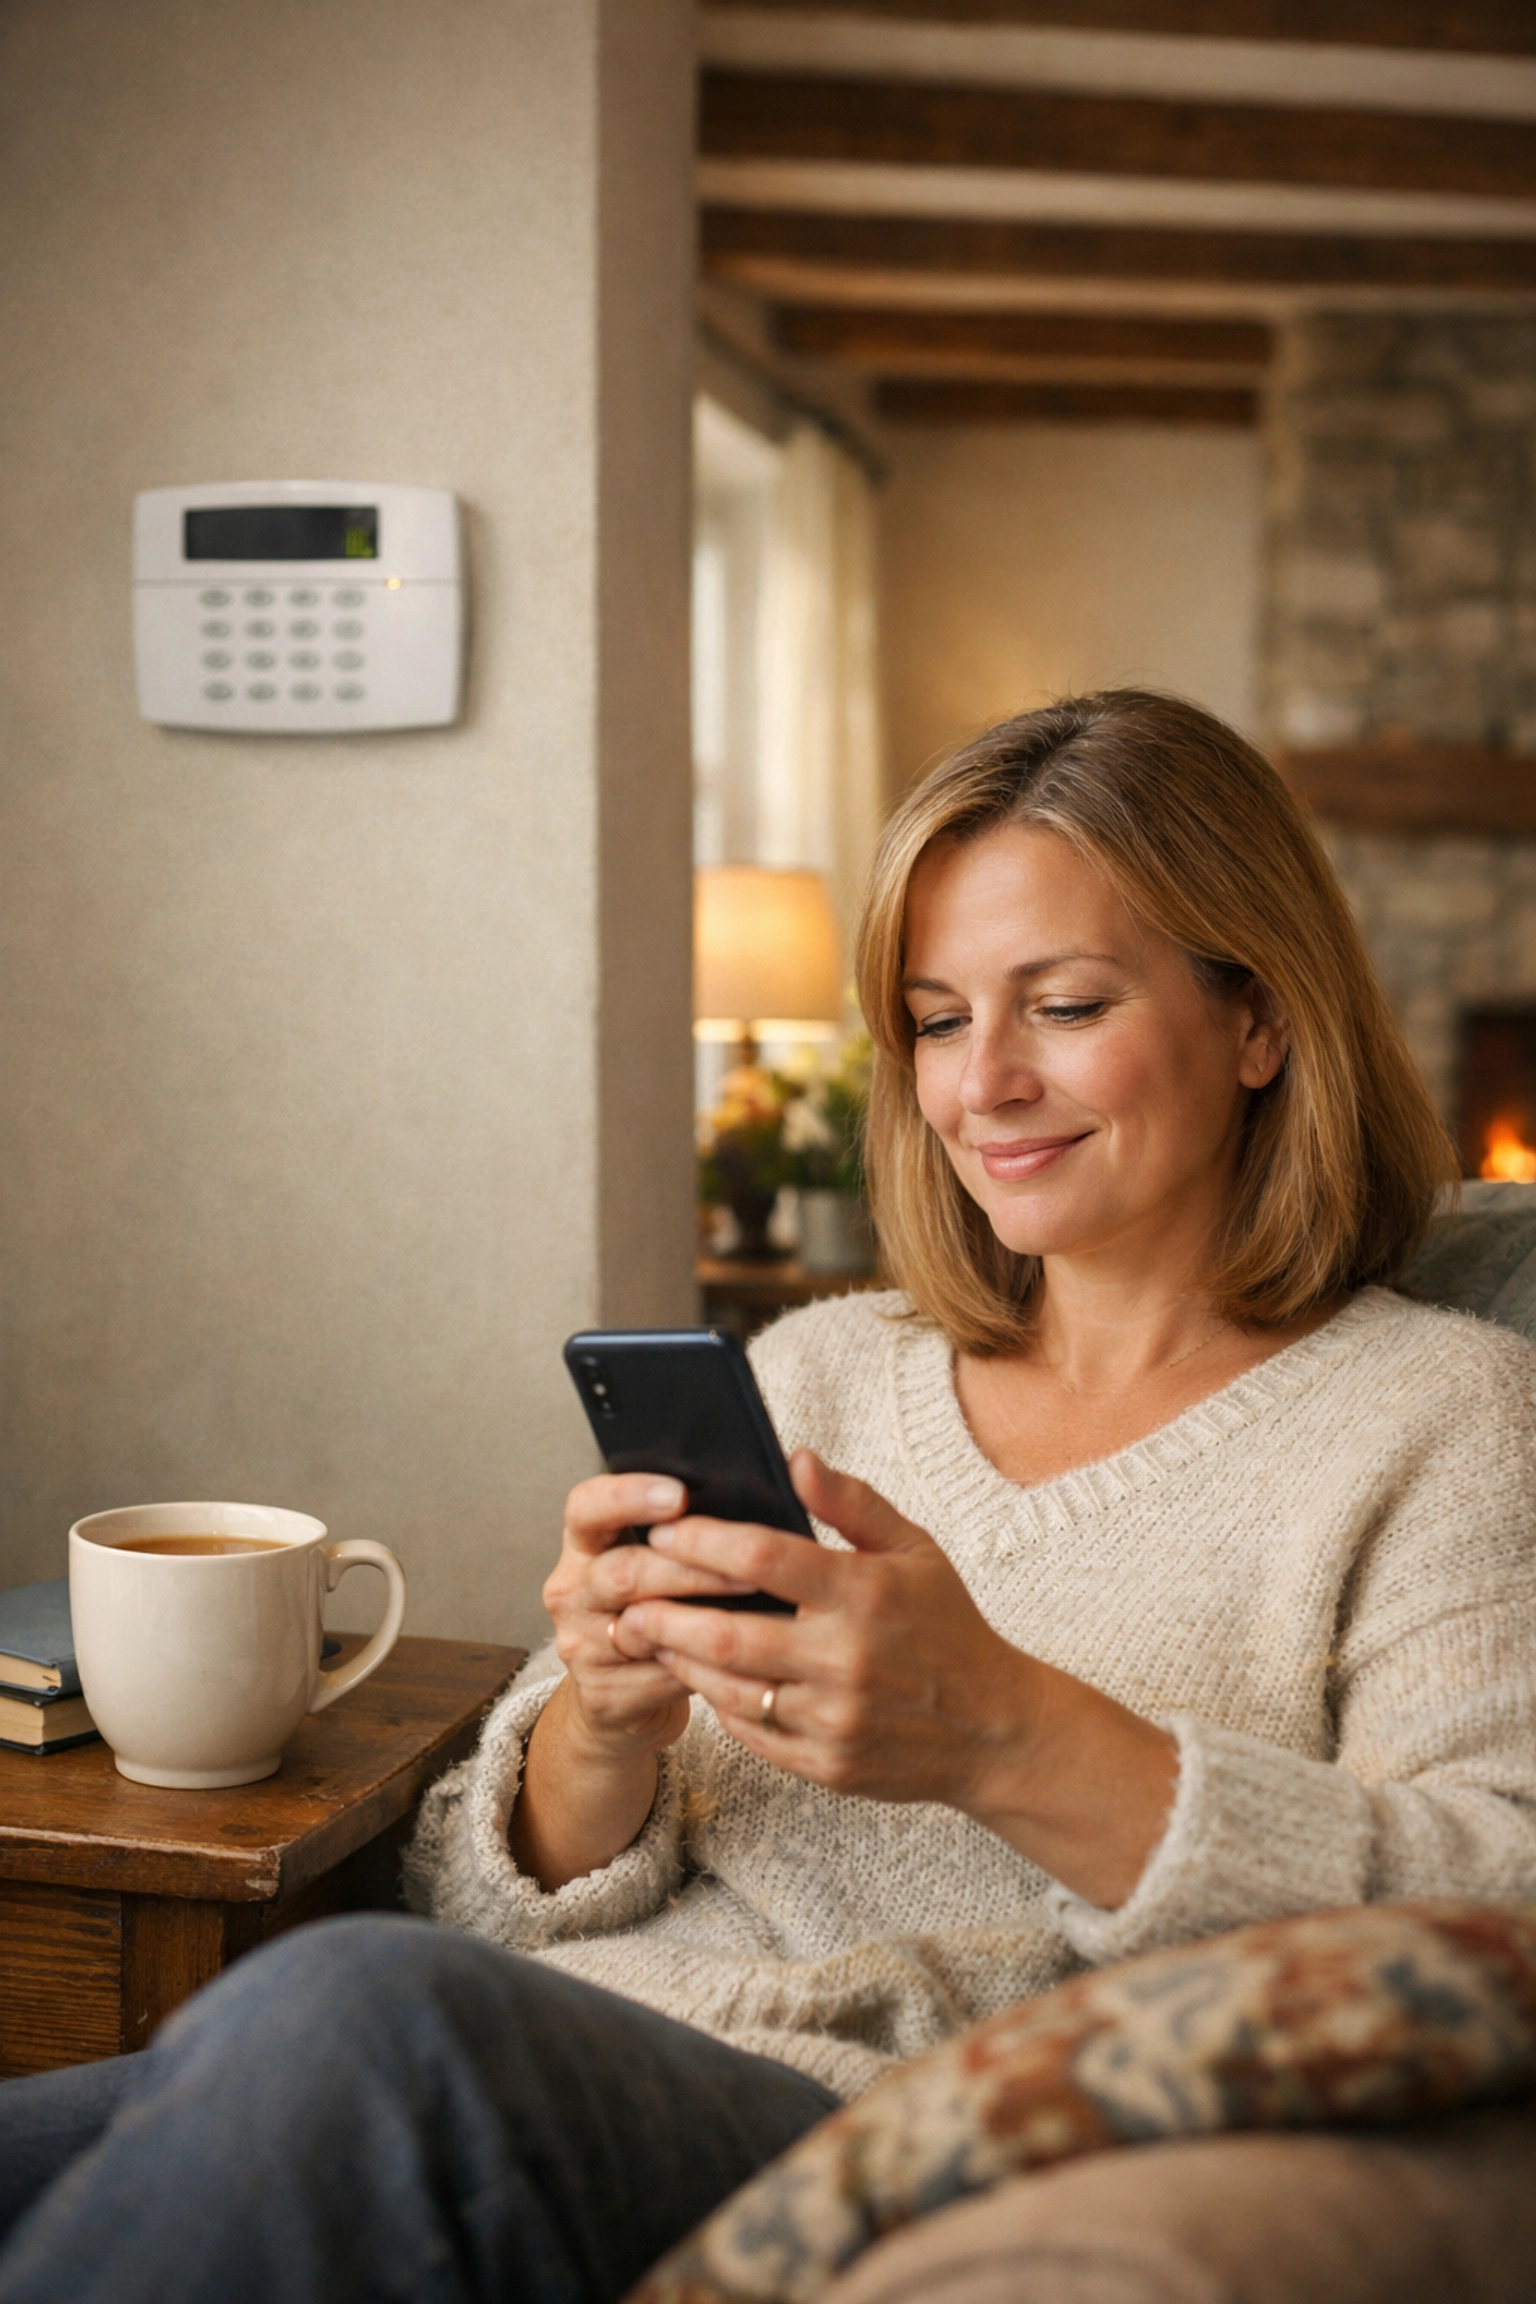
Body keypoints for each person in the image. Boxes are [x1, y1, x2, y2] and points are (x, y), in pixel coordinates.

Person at [3, 691, 1534, 2304]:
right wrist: (605, 1718)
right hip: (544, 2047)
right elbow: (480, 1907)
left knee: (348, 2010)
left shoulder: (1440, 1419)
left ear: (1260, 1021)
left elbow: (1496, 1907)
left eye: (1067, 1004)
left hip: (867, 2126)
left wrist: (1007, 1736)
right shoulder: (822, 1369)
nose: (985, 1084)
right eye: (937, 1021)